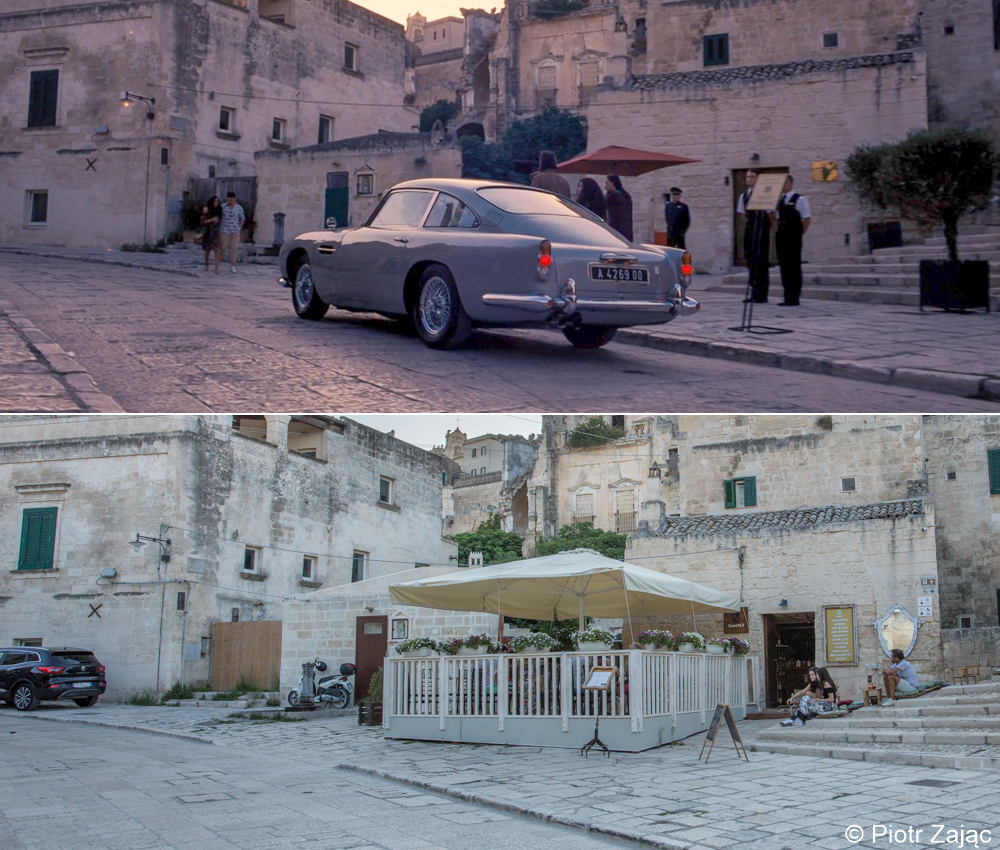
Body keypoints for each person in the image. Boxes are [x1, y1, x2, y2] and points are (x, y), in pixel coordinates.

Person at [736, 169, 773, 303]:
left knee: (761, 261)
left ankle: (762, 293)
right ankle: (754, 291)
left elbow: (771, 215)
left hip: (761, 230)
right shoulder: (744, 196)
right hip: (750, 229)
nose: (749, 179)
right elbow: (742, 214)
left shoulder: (765, 194)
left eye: (752, 177)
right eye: (747, 177)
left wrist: (765, 229)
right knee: (751, 260)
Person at [775, 175, 811, 306]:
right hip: (782, 237)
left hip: (794, 238)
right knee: (784, 266)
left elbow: (806, 219)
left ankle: (794, 297)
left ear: (790, 183)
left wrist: (799, 234)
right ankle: (787, 295)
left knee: (793, 266)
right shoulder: (780, 201)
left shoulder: (799, 199)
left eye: (784, 183)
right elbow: (777, 219)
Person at [219, 191, 246, 274]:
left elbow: (242, 218)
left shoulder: (239, 208)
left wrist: (239, 227)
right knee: (223, 247)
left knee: (234, 248)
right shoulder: (223, 207)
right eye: (228, 200)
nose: (230, 201)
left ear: (234, 199)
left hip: (235, 230)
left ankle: (233, 265)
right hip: (225, 230)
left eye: (231, 200)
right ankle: (218, 263)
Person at [605, 174, 633, 241]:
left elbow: (604, 203)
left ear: (612, 183)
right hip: (626, 229)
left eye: (607, 183)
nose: (605, 186)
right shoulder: (625, 195)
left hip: (616, 228)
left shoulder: (614, 195)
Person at [200, 196, 222, 273]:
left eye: (217, 201)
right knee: (207, 250)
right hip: (208, 232)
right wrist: (211, 220)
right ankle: (206, 264)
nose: (216, 203)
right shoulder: (207, 210)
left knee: (217, 250)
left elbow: (220, 220)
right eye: (214, 201)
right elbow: (203, 221)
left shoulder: (219, 210)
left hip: (216, 233)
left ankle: (217, 267)